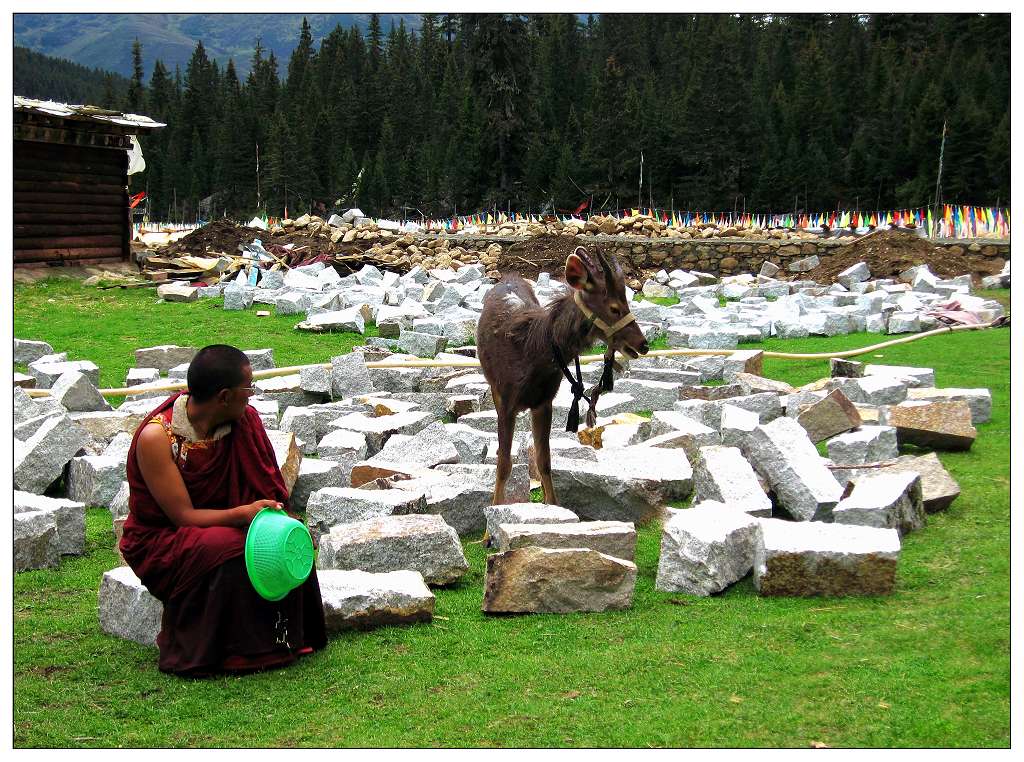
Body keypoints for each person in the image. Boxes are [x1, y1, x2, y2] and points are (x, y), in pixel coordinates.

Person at [120, 344, 326, 676]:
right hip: (163, 539)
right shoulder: (158, 438)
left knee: (286, 536)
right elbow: (182, 517)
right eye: (248, 389)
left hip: (230, 521)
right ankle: (234, 652)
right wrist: (242, 515)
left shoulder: (243, 422)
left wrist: (264, 515)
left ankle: (286, 638)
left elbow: (264, 486)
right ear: (225, 397)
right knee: (232, 548)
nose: (252, 396)